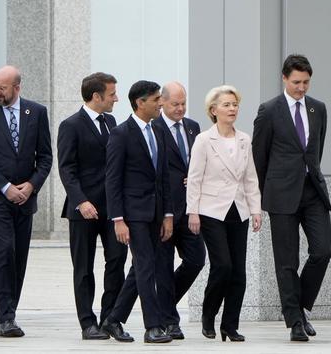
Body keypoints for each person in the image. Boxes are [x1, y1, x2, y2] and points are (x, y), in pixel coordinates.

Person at [252, 54, 331, 341]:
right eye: (296, 82)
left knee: (323, 251)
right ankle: (295, 321)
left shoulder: (318, 109)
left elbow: (316, 150)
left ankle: (299, 305)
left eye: (306, 82)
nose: (301, 88)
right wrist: (257, 199)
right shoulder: (269, 110)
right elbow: (258, 157)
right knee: (286, 261)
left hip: (313, 191)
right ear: (284, 79)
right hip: (281, 194)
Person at [0, 65, 52, 337]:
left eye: (2, 87)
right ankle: (4, 318)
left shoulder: (36, 113)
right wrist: (5, 187)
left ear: (17, 87)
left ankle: (9, 313)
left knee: (19, 256)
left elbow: (46, 158)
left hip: (25, 198)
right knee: (4, 250)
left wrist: (31, 186)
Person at [57, 72, 129, 340]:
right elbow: (67, 169)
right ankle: (87, 322)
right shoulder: (71, 125)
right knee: (84, 268)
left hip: (113, 209)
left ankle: (110, 318)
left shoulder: (111, 122)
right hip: (83, 209)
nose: (116, 99)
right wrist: (81, 201)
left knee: (117, 261)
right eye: (112, 94)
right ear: (96, 96)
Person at [187, 85, 262, 342]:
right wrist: (192, 212)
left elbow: (250, 178)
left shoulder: (244, 139)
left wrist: (255, 209)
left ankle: (230, 325)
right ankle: (209, 315)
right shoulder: (204, 140)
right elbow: (194, 178)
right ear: (213, 110)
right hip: (211, 211)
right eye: (227, 105)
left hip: (238, 210)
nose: (232, 109)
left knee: (238, 272)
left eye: (235, 104)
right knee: (222, 265)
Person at [102, 80, 174, 344]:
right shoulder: (121, 134)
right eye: (156, 99)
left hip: (156, 213)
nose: (161, 103)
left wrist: (168, 214)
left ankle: (113, 319)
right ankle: (153, 326)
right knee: (146, 266)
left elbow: (164, 176)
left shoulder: (159, 130)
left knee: (141, 268)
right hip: (132, 214)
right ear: (140, 103)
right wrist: (118, 219)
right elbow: (113, 179)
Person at [152, 81, 206, 339]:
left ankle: (164, 304)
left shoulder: (193, 127)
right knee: (162, 265)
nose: (181, 108)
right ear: (162, 102)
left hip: (191, 207)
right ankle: (170, 321)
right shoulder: (154, 127)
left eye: (184, 103)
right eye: (175, 104)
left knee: (196, 260)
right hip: (164, 209)